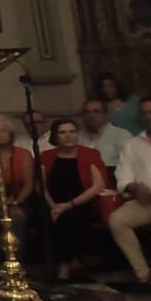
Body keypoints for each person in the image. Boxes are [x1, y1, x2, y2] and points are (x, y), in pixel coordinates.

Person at [39, 117, 107, 282]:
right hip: (53, 204)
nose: (68, 136)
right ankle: (71, 260)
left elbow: (97, 186)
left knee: (67, 220)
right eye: (62, 132)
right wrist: (53, 206)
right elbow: (41, 187)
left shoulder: (90, 154)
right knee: (45, 218)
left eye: (72, 131)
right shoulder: (46, 156)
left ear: (77, 134)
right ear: (56, 136)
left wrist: (68, 205)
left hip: (81, 203)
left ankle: (64, 269)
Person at [107, 98, 151, 287]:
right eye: (146, 112)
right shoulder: (132, 144)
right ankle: (143, 273)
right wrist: (134, 187)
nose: (150, 116)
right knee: (118, 220)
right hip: (146, 202)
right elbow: (123, 175)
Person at [0, 117, 33, 258]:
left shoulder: (23, 155)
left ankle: (15, 261)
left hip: (19, 199)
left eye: (3, 131)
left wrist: (16, 203)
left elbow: (29, 184)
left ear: (11, 134)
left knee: (16, 218)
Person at [80, 98, 131, 189]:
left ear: (106, 115)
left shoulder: (120, 135)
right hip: (82, 186)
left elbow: (129, 166)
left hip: (111, 186)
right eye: (86, 112)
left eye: (96, 111)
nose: (91, 115)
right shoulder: (77, 137)